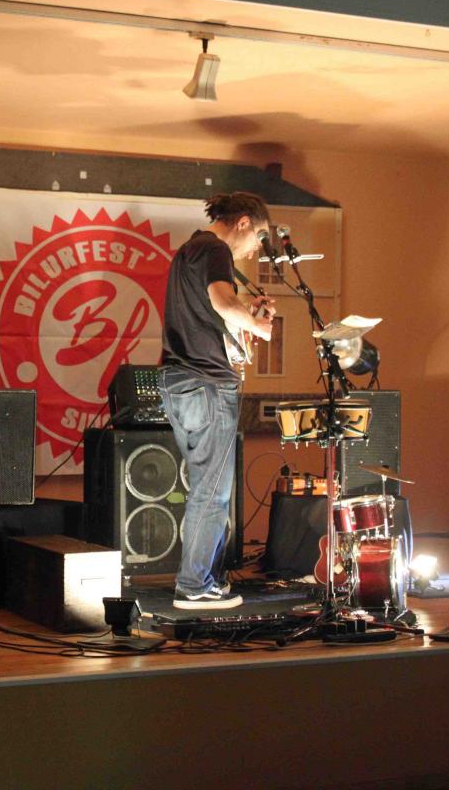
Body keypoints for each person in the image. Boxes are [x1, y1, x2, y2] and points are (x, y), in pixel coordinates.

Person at [159, 192, 275, 610]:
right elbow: (222, 302)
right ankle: (193, 585)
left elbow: (213, 315)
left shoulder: (189, 250)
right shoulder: (215, 249)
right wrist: (259, 327)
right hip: (205, 384)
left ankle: (202, 579)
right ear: (243, 223)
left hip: (180, 383)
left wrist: (248, 315)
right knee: (213, 493)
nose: (256, 248)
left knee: (204, 490)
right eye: (259, 236)